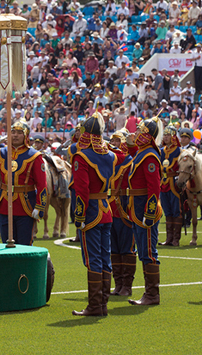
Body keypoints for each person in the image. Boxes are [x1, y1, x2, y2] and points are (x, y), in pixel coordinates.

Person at [70, 113, 122, 317]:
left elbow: (81, 190)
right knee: (104, 257)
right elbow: (123, 157)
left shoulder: (81, 157)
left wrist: (79, 216)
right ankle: (103, 304)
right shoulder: (110, 155)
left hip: (90, 211)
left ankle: (94, 305)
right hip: (105, 209)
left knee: (93, 259)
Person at [0, 120, 48, 246]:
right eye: (13, 132)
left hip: (25, 206)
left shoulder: (34, 156)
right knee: (6, 245)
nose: (15, 135)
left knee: (24, 246)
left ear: (26, 135)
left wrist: (39, 206)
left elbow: (42, 184)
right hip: (4, 204)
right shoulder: (1, 153)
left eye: (19, 133)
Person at [126, 115, 163, 306]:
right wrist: (130, 145)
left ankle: (152, 294)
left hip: (144, 209)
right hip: (137, 206)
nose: (137, 132)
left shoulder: (150, 156)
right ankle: (149, 293)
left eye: (140, 130)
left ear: (148, 135)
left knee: (148, 251)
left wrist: (149, 213)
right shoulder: (143, 152)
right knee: (143, 250)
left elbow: (154, 188)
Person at [107, 129, 137, 298]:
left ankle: (127, 285)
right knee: (114, 249)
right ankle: (118, 284)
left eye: (117, 141)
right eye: (112, 141)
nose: (114, 144)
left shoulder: (130, 160)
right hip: (109, 209)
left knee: (127, 248)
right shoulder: (108, 160)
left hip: (124, 208)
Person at [159, 125, 183, 246]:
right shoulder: (161, 151)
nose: (166, 137)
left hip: (174, 182)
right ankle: (169, 238)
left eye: (168, 135)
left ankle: (176, 239)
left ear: (173, 136)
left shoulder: (179, 151)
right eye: (165, 135)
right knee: (167, 211)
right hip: (163, 182)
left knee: (176, 210)